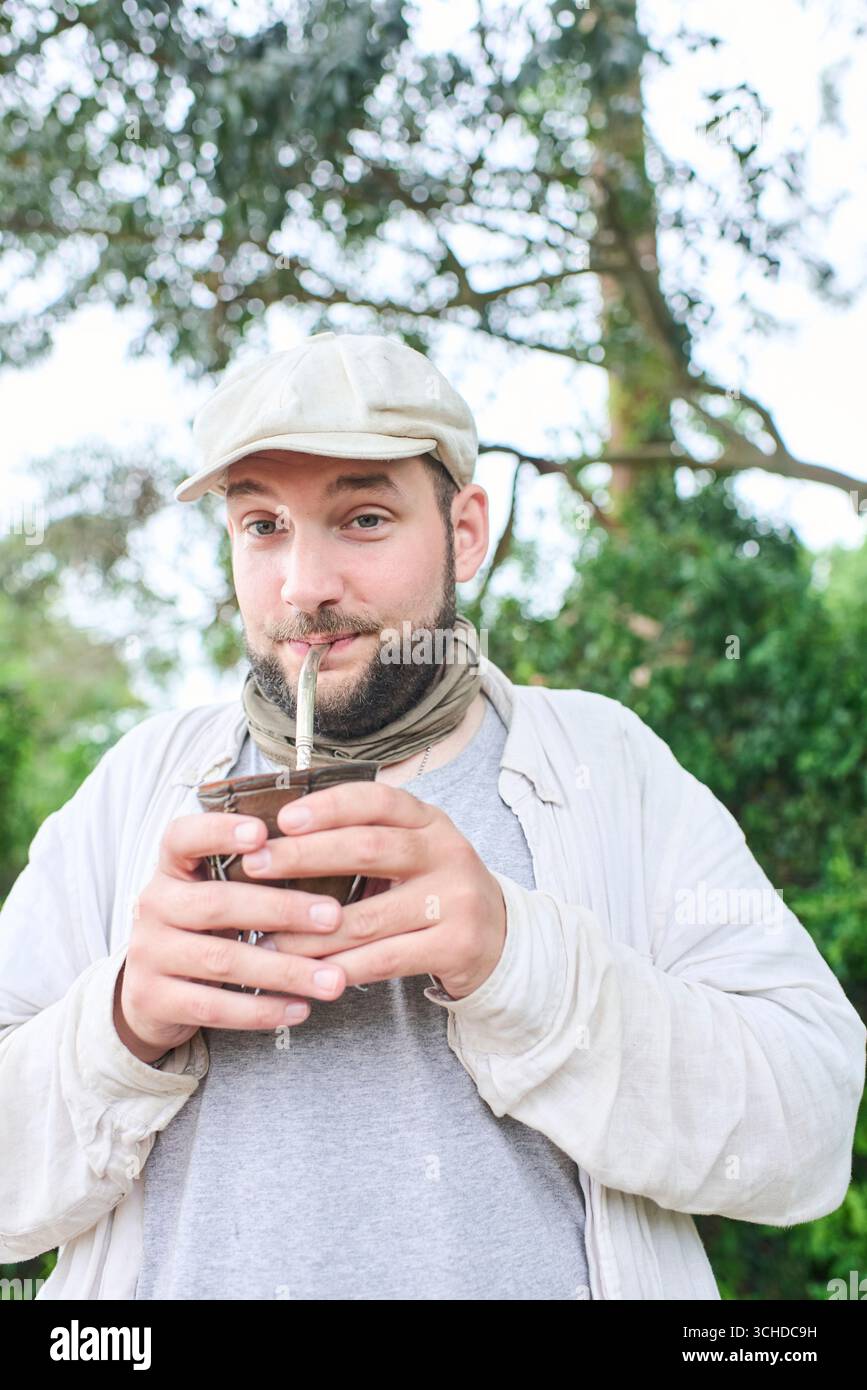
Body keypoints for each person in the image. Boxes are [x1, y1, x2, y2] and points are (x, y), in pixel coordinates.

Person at [0, 331, 864, 1301]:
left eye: (363, 518)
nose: (304, 586)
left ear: (465, 531)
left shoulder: (605, 767)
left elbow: (810, 1128)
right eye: (263, 525)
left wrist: (519, 963)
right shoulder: (135, 791)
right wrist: (122, 1023)